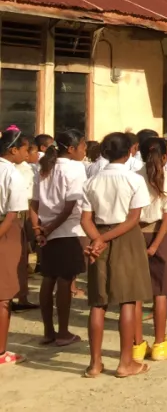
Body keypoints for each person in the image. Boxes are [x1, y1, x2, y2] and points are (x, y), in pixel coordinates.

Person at [80, 132, 154, 378]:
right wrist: (104, 239)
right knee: (127, 300)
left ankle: (94, 363)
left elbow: (85, 219)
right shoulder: (133, 180)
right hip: (125, 238)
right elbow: (133, 219)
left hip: (98, 236)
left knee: (98, 302)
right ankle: (125, 362)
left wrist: (97, 239)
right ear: (130, 151)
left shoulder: (92, 181)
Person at [32, 129, 87, 348]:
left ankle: (48, 331)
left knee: (48, 278)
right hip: (67, 231)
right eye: (82, 146)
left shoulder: (44, 167)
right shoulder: (75, 168)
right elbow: (69, 206)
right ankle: (63, 331)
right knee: (64, 280)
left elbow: (34, 203)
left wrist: (39, 229)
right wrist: (50, 228)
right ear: (72, 149)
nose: (84, 150)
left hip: (47, 229)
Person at [137, 136, 167, 361]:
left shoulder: (134, 178)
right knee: (161, 293)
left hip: (136, 234)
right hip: (163, 237)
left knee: (135, 294)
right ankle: (160, 342)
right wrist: (156, 244)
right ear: (165, 157)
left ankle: (137, 343)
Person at [0, 129, 32, 367]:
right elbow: (12, 213)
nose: (27, 153)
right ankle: (1, 352)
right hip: (5, 230)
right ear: (13, 150)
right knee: (3, 296)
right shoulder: (12, 174)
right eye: (24, 149)